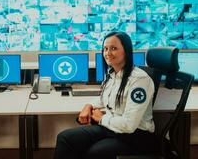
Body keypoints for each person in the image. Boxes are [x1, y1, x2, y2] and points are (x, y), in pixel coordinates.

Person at [53, 31, 157, 159]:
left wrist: (101, 119)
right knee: (65, 138)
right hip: (112, 127)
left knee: (93, 153)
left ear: (126, 51)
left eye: (113, 48)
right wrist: (88, 105)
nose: (107, 53)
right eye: (105, 49)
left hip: (135, 136)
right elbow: (104, 98)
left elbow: (129, 125)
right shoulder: (113, 74)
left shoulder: (139, 80)